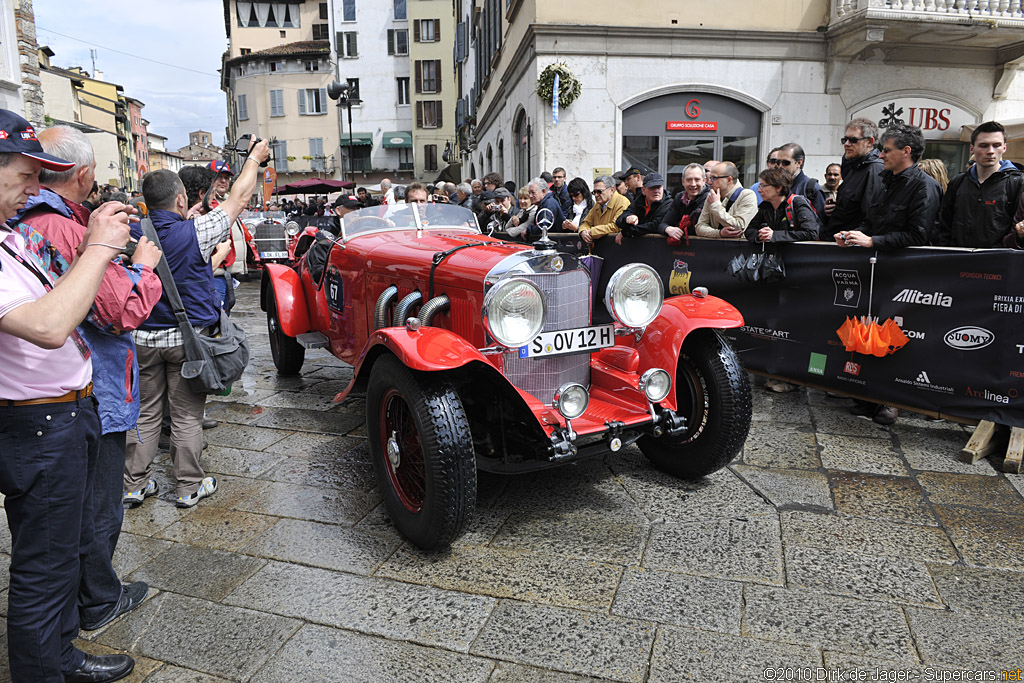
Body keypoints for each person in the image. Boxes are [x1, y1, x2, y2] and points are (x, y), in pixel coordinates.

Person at [0, 108, 140, 682]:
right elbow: (51, 325)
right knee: (44, 567)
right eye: (25, 174)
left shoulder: (9, 236)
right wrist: (102, 248)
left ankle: (60, 657)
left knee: (57, 561)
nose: (36, 188)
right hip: (39, 426)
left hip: (58, 417)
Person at [125, 138, 271, 509]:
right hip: (187, 342)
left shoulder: (128, 236)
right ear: (179, 200)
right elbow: (237, 199)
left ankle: (134, 485)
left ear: (145, 202)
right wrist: (254, 158)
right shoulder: (196, 231)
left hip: (141, 339)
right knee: (188, 415)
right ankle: (189, 485)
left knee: (145, 413)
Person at [836, 123, 940, 426]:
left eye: (886, 149)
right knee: (870, 333)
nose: (881, 154)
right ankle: (868, 397)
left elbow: (918, 235)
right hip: (877, 271)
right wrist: (855, 235)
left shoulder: (924, 186)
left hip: (906, 275)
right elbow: (874, 221)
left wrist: (872, 241)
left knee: (897, 338)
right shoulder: (886, 180)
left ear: (906, 152)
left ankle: (891, 400)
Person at [935, 122, 1023, 248]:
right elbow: (944, 225)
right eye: (984, 145)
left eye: (996, 145)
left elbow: (1017, 231)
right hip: (958, 259)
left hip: (997, 262)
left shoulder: (1017, 183)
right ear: (972, 148)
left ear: (1004, 148)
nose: (990, 151)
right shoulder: (958, 182)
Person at [824, 118, 884, 241]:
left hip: (851, 247)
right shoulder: (853, 165)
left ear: (869, 142)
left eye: (853, 140)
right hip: (838, 240)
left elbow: (870, 218)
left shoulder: (875, 169)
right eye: (844, 140)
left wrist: (849, 237)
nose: (847, 144)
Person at [695, 162, 758, 238]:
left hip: (738, 248)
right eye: (709, 178)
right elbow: (699, 227)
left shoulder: (747, 195)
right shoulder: (712, 195)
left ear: (729, 180)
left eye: (714, 178)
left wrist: (715, 206)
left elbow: (739, 227)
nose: (709, 182)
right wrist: (719, 233)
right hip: (715, 248)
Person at [660, 163, 709, 245]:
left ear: (704, 181)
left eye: (697, 180)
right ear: (683, 182)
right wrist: (667, 229)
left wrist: (676, 226)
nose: (693, 184)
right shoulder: (679, 197)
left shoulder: (709, 198)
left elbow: (693, 227)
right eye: (689, 180)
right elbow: (663, 223)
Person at [615, 172, 673, 243]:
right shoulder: (639, 200)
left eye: (658, 187)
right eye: (652, 188)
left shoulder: (668, 203)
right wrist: (627, 218)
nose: (656, 191)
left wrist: (627, 232)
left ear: (663, 188)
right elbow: (619, 220)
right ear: (643, 190)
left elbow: (655, 226)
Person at [773, 143, 826, 217]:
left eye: (785, 163)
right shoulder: (774, 186)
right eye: (778, 162)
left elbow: (820, 222)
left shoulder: (811, 188)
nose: (780, 166)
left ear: (799, 163)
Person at [576, 175, 629, 246]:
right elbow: (586, 222)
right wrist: (583, 232)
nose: (596, 195)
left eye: (599, 191)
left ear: (612, 190)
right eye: (594, 192)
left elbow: (616, 226)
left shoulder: (622, 203)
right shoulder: (597, 205)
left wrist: (592, 232)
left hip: (617, 249)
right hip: (601, 248)